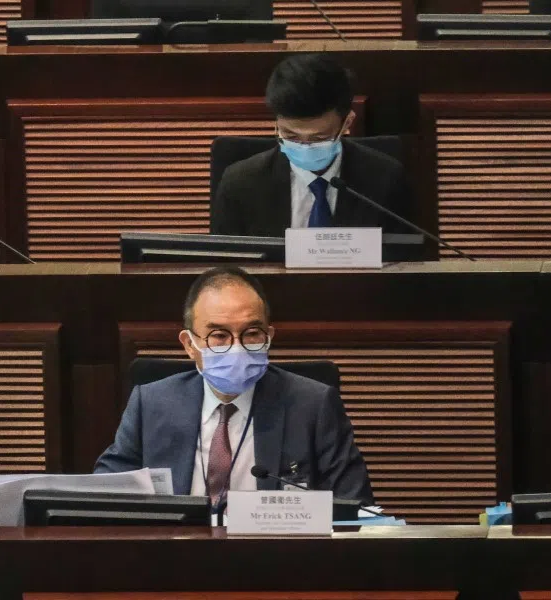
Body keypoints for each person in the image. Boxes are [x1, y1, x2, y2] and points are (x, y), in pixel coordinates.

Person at [95, 266, 373, 508]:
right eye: (219, 336)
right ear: (189, 345)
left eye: (252, 333)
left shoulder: (313, 405)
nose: (237, 348)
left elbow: (354, 506)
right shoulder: (152, 403)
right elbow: (106, 494)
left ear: (269, 337)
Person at [211, 53, 412, 237]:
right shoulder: (241, 183)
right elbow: (226, 270)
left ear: (347, 123)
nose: (304, 146)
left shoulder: (385, 179)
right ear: (276, 123)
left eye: (319, 138)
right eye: (290, 135)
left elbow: (405, 264)